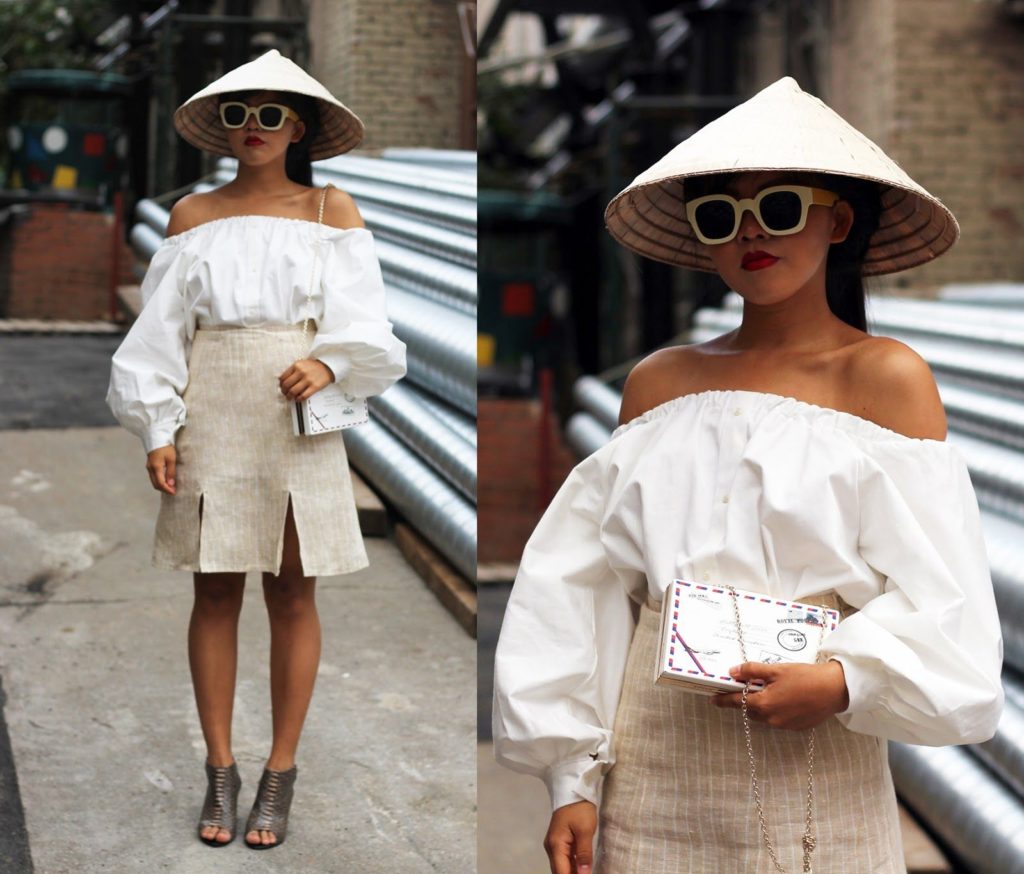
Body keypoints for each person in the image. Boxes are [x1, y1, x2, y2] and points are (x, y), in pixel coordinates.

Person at [492, 77, 1003, 874]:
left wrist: (841, 681)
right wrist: (571, 778)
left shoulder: (887, 378)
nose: (751, 233)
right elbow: (584, 588)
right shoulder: (658, 382)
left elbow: (947, 601)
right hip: (650, 768)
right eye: (720, 215)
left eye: (782, 207)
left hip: (815, 768)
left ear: (837, 219)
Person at [106, 49, 406, 849]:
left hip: (294, 414)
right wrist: (158, 427)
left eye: (270, 115)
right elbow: (160, 333)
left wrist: (330, 360)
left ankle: (279, 772)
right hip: (212, 407)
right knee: (211, 594)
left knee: (293, 594)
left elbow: (369, 324)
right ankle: (220, 768)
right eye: (238, 115)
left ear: (298, 127)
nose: (252, 129)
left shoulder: (329, 209)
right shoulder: (192, 217)